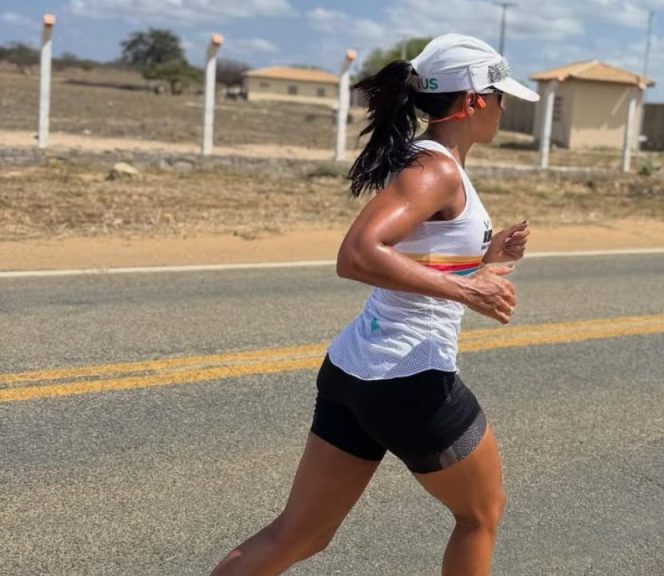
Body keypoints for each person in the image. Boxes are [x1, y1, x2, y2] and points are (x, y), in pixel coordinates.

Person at [210, 33, 539, 576]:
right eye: (500, 97)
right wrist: (469, 290)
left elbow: (417, 261)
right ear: (473, 101)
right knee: (481, 514)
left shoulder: (433, 164)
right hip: (410, 378)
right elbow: (359, 254)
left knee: (300, 535)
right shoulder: (435, 170)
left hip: (355, 371)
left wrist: (487, 262)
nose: (505, 109)